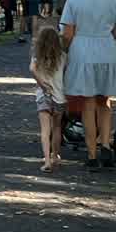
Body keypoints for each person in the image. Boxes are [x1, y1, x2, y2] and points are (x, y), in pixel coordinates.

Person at [59, 0, 116, 171]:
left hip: (82, 50)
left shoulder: (74, 1)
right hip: (106, 49)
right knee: (104, 101)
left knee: (87, 103)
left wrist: (65, 50)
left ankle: (92, 152)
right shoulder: (113, 1)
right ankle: (105, 143)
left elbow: (67, 33)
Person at [32, 25, 67, 172]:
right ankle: (55, 156)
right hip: (60, 96)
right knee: (57, 127)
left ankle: (46, 160)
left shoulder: (38, 56)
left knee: (45, 130)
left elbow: (32, 69)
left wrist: (42, 84)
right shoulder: (63, 56)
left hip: (44, 95)